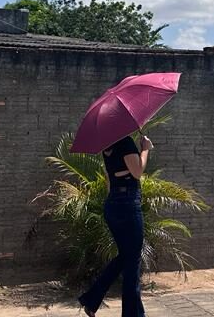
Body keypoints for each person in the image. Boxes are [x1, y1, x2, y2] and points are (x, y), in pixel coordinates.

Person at [78, 134, 153, 317]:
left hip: (113, 204)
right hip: (127, 204)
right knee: (132, 265)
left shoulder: (108, 145)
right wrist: (145, 149)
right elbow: (137, 172)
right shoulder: (125, 143)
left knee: (126, 257)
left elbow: (110, 180)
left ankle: (91, 299)